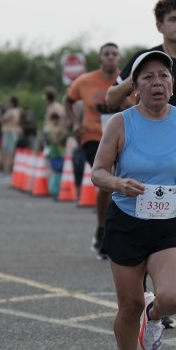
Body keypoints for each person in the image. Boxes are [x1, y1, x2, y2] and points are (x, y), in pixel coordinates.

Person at [91, 50, 176, 350]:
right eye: (148, 77)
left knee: (174, 297)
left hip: (172, 221)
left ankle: (154, 314)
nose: (157, 83)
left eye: (163, 76)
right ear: (135, 88)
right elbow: (98, 172)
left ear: (172, 84)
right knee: (128, 305)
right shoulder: (121, 123)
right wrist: (118, 183)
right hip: (127, 221)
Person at [65, 42, 121, 258]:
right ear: (100, 59)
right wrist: (74, 123)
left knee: (121, 182)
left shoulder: (126, 80)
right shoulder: (85, 81)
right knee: (107, 179)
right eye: (107, 54)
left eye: (114, 54)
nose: (111, 57)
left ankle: (120, 230)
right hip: (93, 138)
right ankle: (101, 229)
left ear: (119, 59)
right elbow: (68, 101)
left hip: (121, 138)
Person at [0, 95, 22, 175]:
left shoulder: (10, 111)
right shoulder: (18, 110)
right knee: (11, 153)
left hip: (9, 133)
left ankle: (6, 171)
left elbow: (1, 120)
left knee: (7, 153)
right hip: (15, 133)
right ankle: (9, 171)